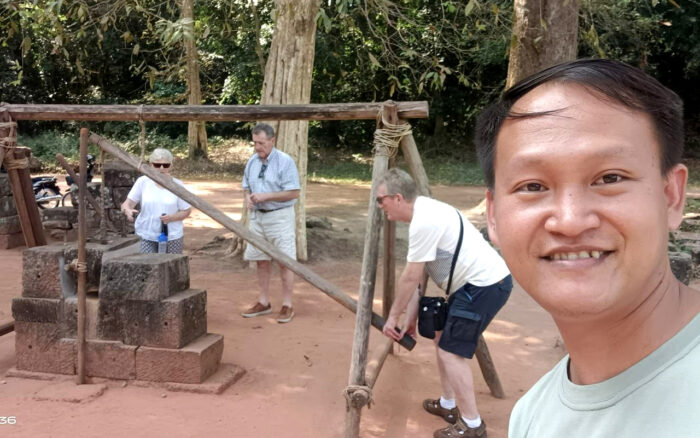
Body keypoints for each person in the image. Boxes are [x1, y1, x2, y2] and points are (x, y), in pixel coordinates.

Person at [476, 58, 700, 437]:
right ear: (494, 216)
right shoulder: (531, 417)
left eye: (610, 178)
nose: (570, 220)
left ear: (671, 196)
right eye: (532, 186)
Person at [379, 168, 512, 438]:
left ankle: (473, 425)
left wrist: (393, 317)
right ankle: (449, 405)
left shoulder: (423, 222)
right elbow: (422, 278)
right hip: (475, 286)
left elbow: (410, 276)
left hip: (483, 286)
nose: (380, 206)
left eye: (381, 199)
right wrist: (411, 319)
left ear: (397, 198)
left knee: (451, 352)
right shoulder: (427, 211)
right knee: (442, 340)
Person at [240, 123, 300, 324]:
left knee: (285, 260)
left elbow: (294, 192)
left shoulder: (285, 161)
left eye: (261, 143)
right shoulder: (252, 162)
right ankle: (264, 302)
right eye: (255, 143)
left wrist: (266, 196)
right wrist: (248, 198)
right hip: (257, 218)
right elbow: (246, 187)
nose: (258, 147)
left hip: (279, 217)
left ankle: (287, 304)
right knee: (261, 259)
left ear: (272, 141)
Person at [121, 148, 192, 254]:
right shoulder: (143, 182)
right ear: (151, 165)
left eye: (166, 165)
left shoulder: (178, 185)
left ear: (171, 166)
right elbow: (128, 203)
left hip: (172, 236)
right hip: (146, 234)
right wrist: (127, 210)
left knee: (171, 267)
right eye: (157, 165)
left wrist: (171, 218)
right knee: (147, 267)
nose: (162, 168)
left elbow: (186, 211)